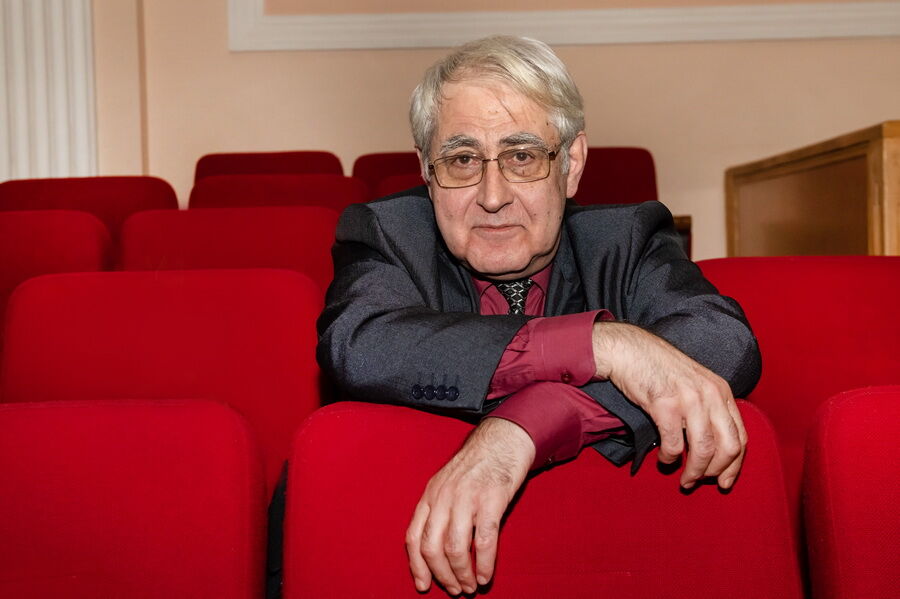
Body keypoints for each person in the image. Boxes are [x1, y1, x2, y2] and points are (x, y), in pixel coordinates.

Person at [316, 35, 760, 596]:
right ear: (427, 172)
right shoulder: (387, 233)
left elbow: (723, 341)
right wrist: (602, 346)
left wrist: (525, 425)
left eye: (522, 156)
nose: (492, 196)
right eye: (461, 160)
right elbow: (361, 345)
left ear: (570, 165)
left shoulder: (626, 239)